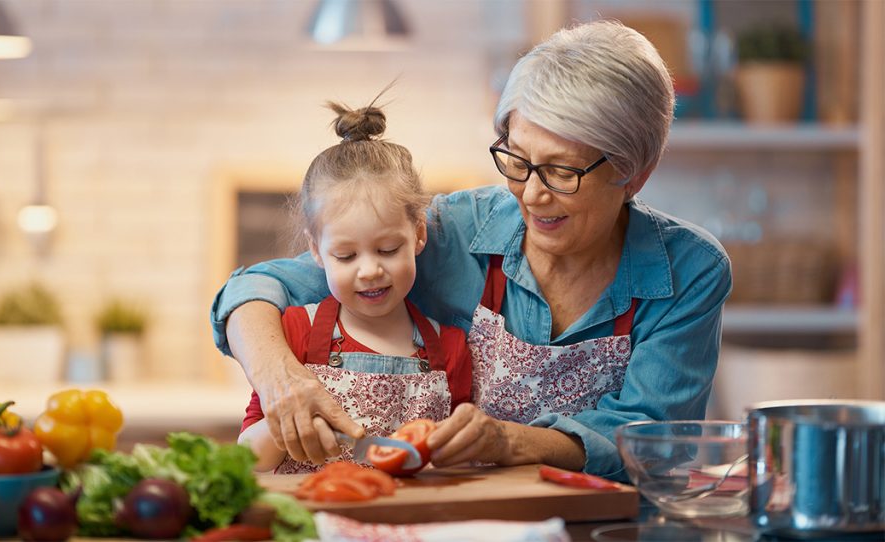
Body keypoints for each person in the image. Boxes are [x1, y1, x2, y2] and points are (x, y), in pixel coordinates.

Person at [214, 20, 731, 480]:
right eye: (518, 160)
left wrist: (511, 442)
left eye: (560, 171)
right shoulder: (457, 228)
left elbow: (653, 436)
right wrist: (279, 377)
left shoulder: (688, 270)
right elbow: (258, 289)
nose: (531, 193)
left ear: (633, 174)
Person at [236, 99, 473, 473]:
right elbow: (246, 459)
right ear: (316, 251)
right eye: (346, 256)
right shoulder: (295, 330)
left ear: (419, 235)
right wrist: (289, 426)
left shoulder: (452, 347)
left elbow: (461, 465)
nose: (369, 270)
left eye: (388, 249)